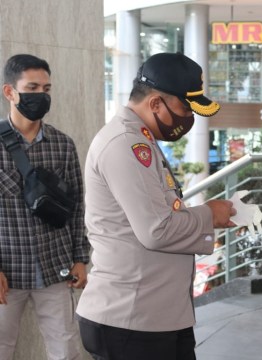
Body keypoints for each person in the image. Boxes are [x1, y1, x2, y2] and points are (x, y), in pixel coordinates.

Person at [76, 52, 236, 360]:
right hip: (130, 320)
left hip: (154, 315)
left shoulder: (142, 138)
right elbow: (156, 229)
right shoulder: (125, 143)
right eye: (185, 107)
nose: (190, 117)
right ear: (155, 104)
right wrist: (209, 215)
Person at [0, 54, 90, 359]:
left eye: (47, 89)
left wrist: (81, 257)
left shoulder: (63, 144)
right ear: (10, 92)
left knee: (65, 349)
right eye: (33, 87)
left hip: (56, 267)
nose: (41, 96)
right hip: (6, 273)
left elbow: (77, 206)